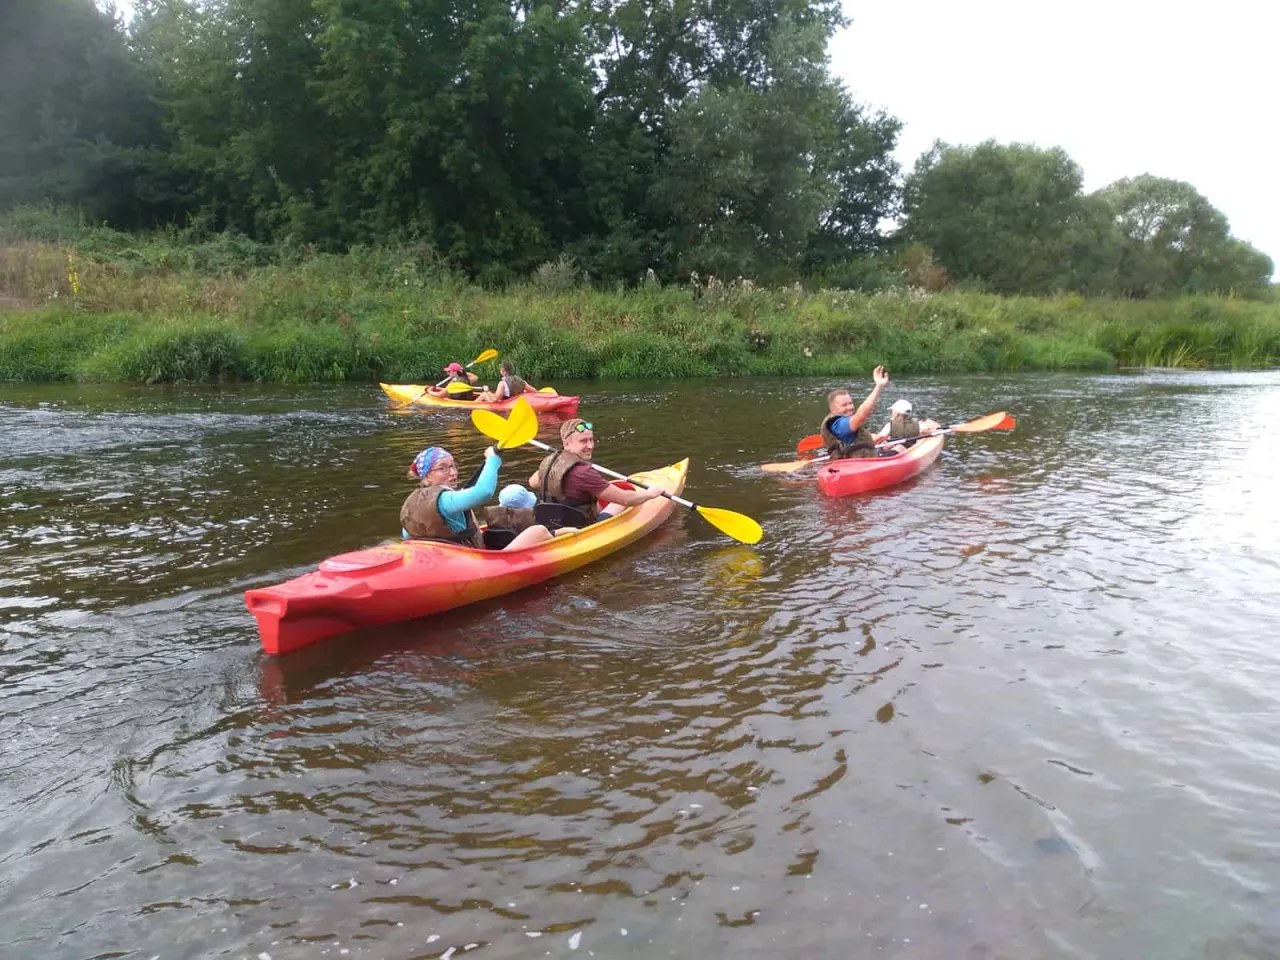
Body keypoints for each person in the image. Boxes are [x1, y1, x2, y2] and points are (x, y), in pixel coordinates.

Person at [401, 446, 558, 549]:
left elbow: (408, 536)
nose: (453, 472)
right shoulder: (445, 500)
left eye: (453, 466)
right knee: (539, 530)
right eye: (443, 468)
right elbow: (484, 492)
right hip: (470, 564)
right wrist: (493, 460)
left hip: (441, 560)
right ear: (428, 476)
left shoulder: (412, 501)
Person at [527, 418, 666, 525]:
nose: (590, 446)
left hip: (550, 521)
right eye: (583, 441)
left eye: (591, 440)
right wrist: (650, 494)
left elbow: (533, 482)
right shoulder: (584, 472)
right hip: (579, 527)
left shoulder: (548, 461)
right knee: (621, 501)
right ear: (567, 444)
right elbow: (627, 499)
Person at [820, 366, 890, 459]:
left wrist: (876, 438)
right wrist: (878, 386)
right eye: (844, 405)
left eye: (850, 403)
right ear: (832, 409)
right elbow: (861, 415)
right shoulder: (837, 425)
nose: (850, 407)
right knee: (899, 449)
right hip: (856, 466)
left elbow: (856, 441)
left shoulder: (848, 423)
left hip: (863, 461)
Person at [873, 399, 942, 452]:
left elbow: (878, 437)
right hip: (909, 448)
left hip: (896, 449)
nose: (891, 413)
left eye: (892, 411)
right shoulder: (917, 424)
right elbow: (928, 432)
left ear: (897, 414)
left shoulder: (889, 425)